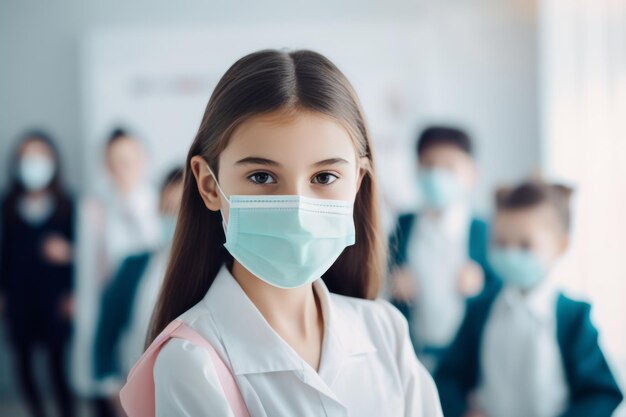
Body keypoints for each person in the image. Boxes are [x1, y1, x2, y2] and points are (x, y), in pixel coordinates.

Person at [124, 49, 443, 416]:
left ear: (357, 182)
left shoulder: (386, 330)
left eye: (324, 177)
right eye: (262, 177)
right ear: (209, 185)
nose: (298, 208)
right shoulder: (192, 363)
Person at [435, 181, 623, 417]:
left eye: (525, 245)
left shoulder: (573, 317)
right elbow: (447, 375)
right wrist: (462, 410)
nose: (510, 253)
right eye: (501, 243)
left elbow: (602, 393)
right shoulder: (480, 309)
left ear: (561, 245)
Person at [388, 126, 497, 369]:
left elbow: (503, 292)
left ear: (472, 173)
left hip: (469, 364)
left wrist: (482, 285)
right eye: (428, 164)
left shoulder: (485, 230)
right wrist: (392, 283)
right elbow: (379, 273)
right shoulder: (403, 225)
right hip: (412, 355)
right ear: (416, 169)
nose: (436, 174)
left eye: (449, 166)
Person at [71, 128, 160, 417]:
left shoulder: (160, 203)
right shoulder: (94, 209)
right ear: (105, 166)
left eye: (129, 159)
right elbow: (89, 277)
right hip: (108, 316)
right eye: (115, 161)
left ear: (143, 159)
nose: (123, 168)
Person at [92, 167, 183, 411]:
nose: (175, 218)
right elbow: (106, 331)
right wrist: (112, 389)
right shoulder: (133, 266)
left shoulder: (220, 272)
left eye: (183, 211)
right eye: (168, 209)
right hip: (136, 394)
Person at [0, 131, 75, 417]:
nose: (34, 164)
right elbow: (5, 254)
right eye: (28, 157)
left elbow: (81, 257)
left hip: (55, 300)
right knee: (23, 364)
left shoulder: (67, 204)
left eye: (41, 156)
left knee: (59, 367)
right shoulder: (8, 205)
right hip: (19, 300)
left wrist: (73, 288)